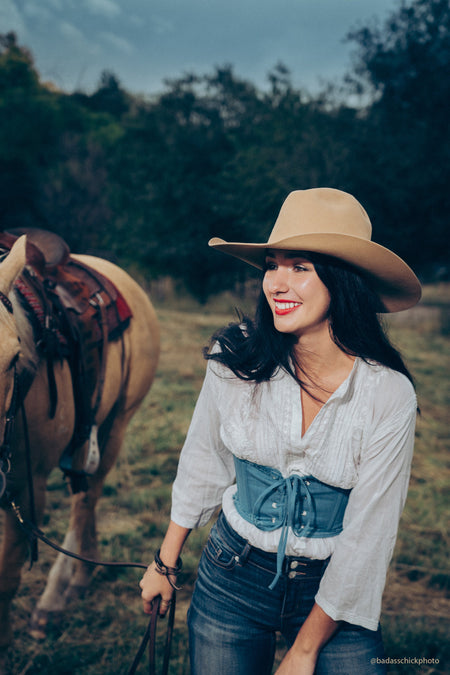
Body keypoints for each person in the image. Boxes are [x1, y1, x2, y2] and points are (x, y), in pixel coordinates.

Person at [139, 188, 421, 674]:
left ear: (343, 281)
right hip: (231, 574)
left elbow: (368, 540)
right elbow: (204, 460)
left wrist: (305, 651)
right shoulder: (237, 358)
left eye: (300, 267)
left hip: (335, 593)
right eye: (272, 265)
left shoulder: (388, 394)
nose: (276, 283)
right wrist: (165, 562)